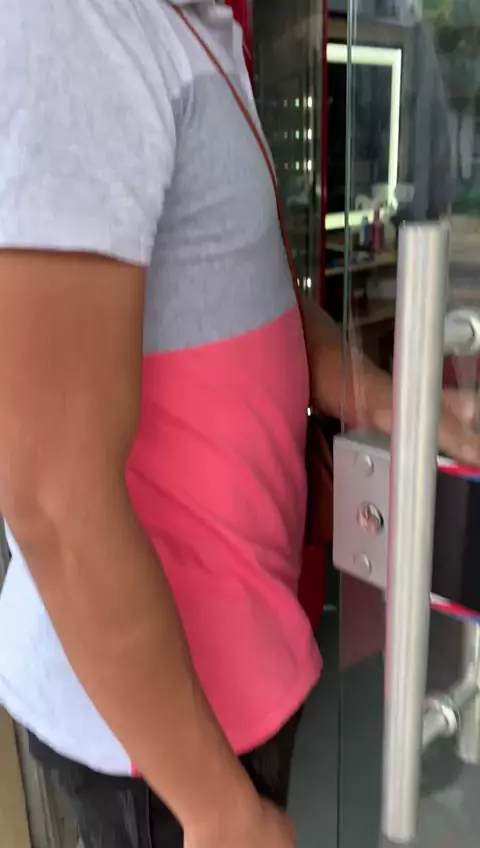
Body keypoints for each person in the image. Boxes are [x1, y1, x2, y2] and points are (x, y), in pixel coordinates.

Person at [0, 2, 477, 847]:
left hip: (230, 681)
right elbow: (51, 495)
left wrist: (391, 401)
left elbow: (252, 293)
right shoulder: (81, 24)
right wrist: (219, 811)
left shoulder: (196, 31)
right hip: (158, 743)